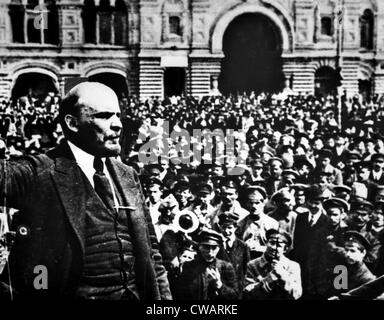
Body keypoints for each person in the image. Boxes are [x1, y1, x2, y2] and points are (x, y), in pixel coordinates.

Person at [0, 82, 171, 300]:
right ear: (72, 123)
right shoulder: (40, 172)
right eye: (105, 116)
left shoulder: (128, 175)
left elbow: (152, 253)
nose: (118, 124)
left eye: (118, 115)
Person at [175, 229, 239, 300]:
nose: (210, 252)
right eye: (206, 247)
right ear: (199, 246)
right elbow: (180, 294)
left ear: (219, 248)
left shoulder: (226, 267)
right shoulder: (188, 266)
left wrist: (220, 285)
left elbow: (235, 295)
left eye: (214, 248)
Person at [243, 229, 302, 300]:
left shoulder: (292, 266)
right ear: (266, 243)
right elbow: (247, 294)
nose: (274, 247)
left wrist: (282, 275)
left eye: (279, 245)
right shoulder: (252, 265)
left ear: (285, 249)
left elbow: (296, 294)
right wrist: (267, 280)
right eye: (272, 243)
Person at [216, 213, 250, 294]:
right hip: (219, 286)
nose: (227, 231)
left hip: (237, 288)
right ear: (220, 227)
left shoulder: (243, 246)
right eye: (224, 227)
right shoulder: (216, 245)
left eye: (230, 228)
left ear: (235, 228)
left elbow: (247, 268)